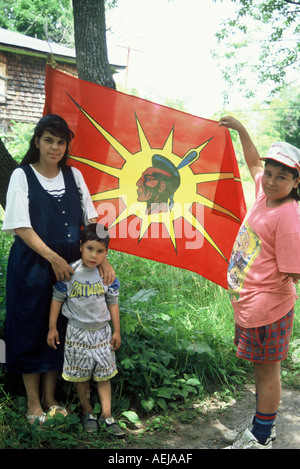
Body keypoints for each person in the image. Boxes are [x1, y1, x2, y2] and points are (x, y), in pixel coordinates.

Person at [2, 115, 114, 425]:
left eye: (61, 142)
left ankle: (51, 397)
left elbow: (93, 222)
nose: (55, 147)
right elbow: (20, 226)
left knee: (60, 329)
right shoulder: (22, 176)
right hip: (33, 264)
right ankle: (33, 403)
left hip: (71, 268)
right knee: (29, 327)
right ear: (36, 141)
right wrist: (52, 257)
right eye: (49, 140)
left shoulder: (74, 175)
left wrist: (103, 259)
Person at [219, 116, 300, 449]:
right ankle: (263, 426)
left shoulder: (289, 216)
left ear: (296, 181)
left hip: (269, 308)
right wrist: (241, 130)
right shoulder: (263, 195)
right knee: (261, 370)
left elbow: (295, 271)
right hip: (250, 305)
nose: (271, 180)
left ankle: (261, 438)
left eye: (282, 176)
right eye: (270, 173)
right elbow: (253, 163)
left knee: (267, 373)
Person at [47, 223, 125, 437]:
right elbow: (57, 298)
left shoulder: (107, 276)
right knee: (81, 376)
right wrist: (52, 327)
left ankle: (107, 415)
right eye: (90, 248)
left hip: (102, 333)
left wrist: (116, 330)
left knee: (104, 375)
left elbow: (113, 302)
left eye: (100, 251)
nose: (94, 255)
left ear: (106, 253)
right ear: (81, 246)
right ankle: (88, 412)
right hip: (76, 333)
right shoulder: (70, 272)